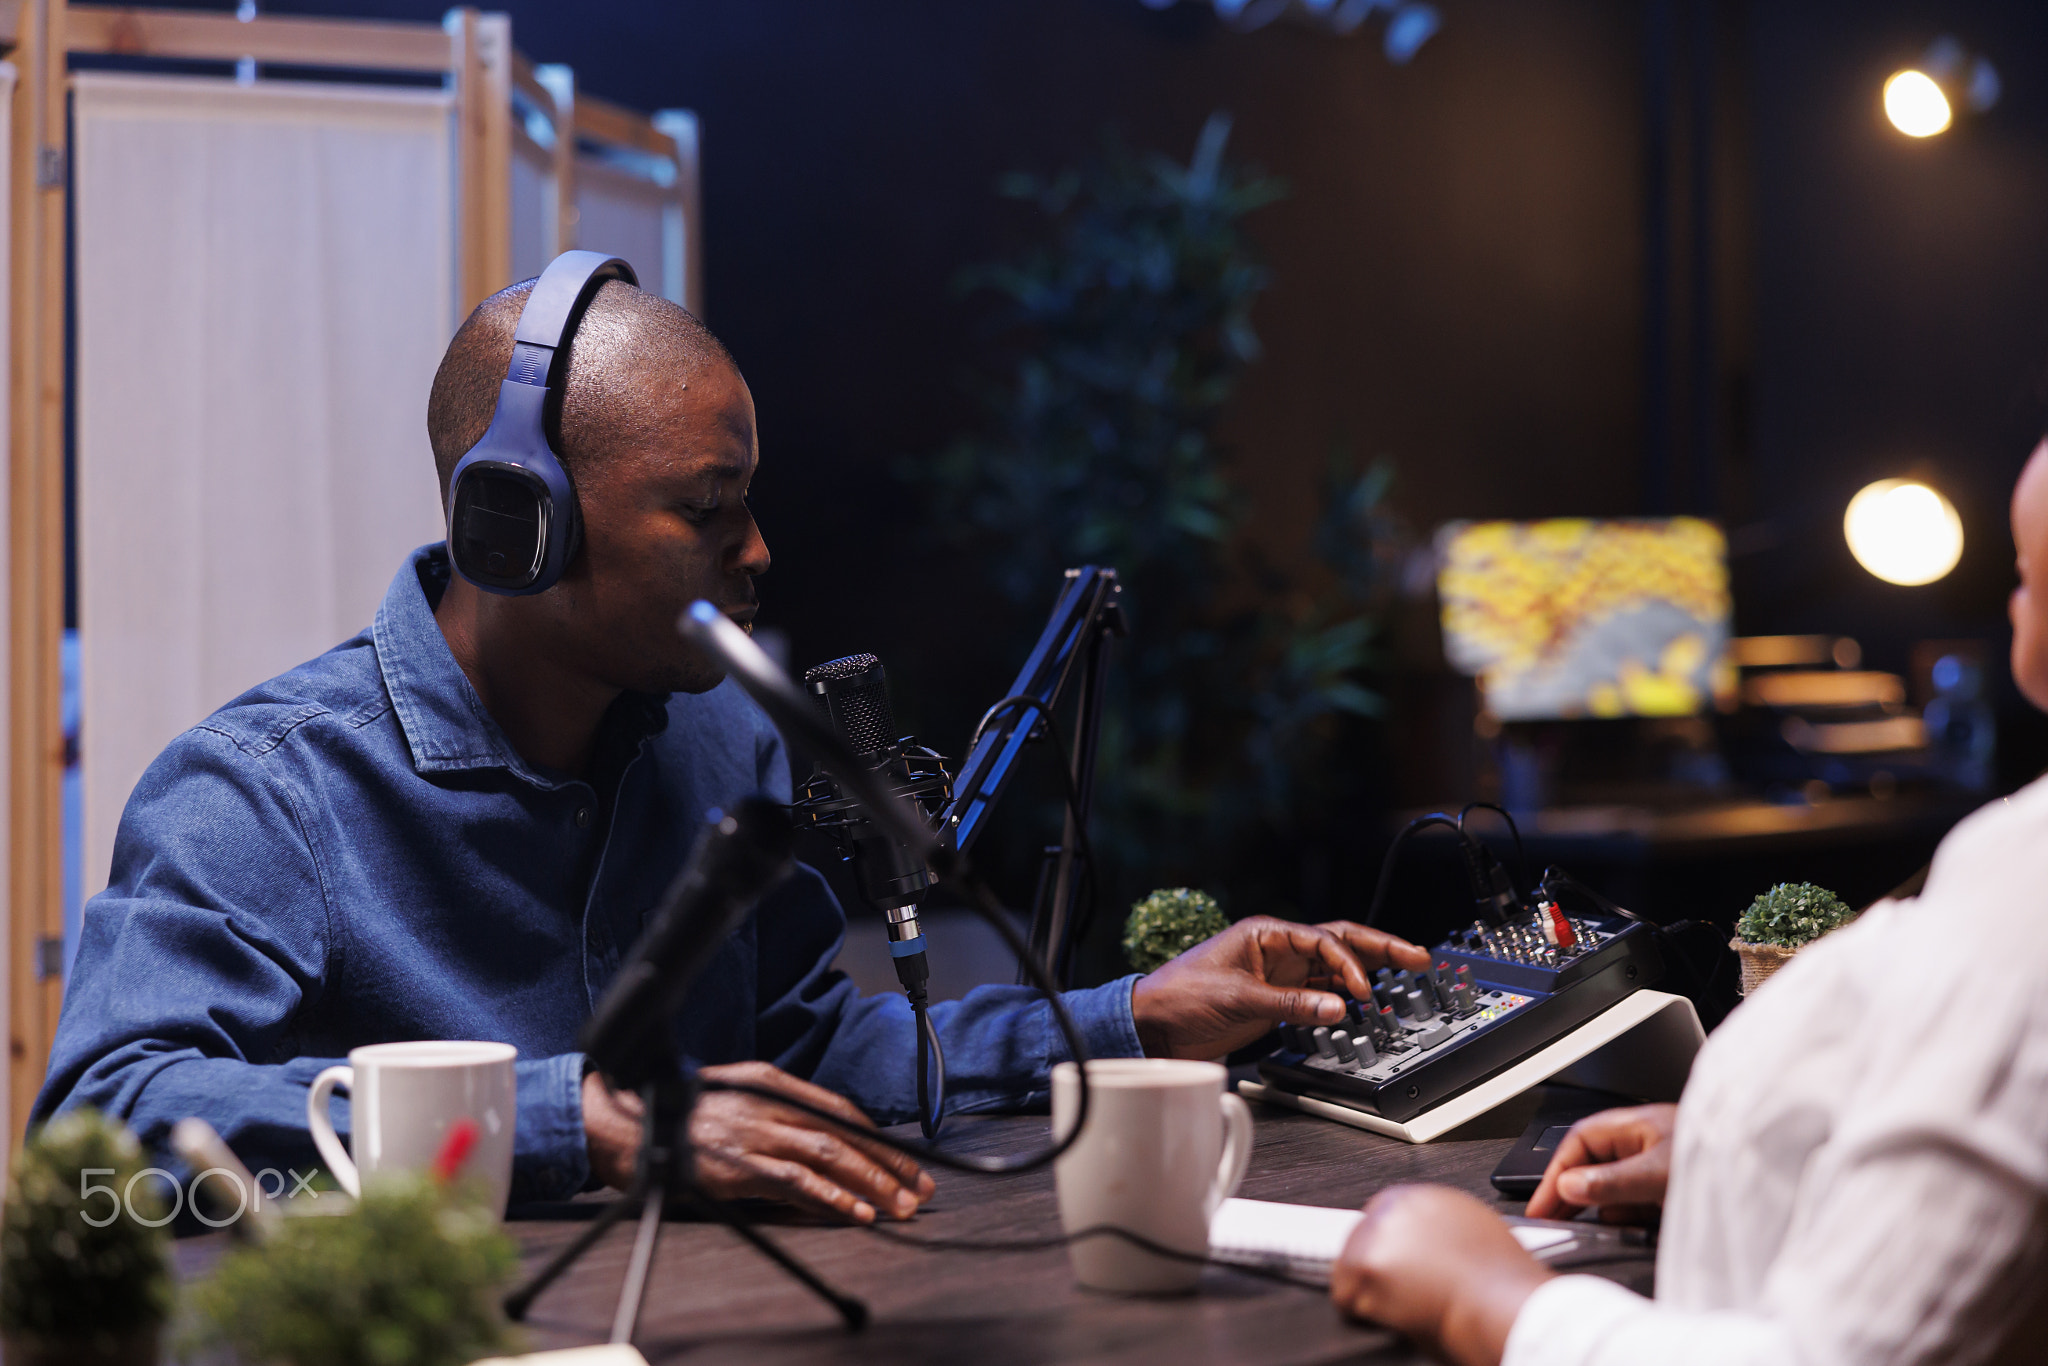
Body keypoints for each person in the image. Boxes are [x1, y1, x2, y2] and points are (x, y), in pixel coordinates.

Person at [34, 270, 1432, 1220]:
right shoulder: (266, 792)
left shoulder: (712, 745)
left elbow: (815, 1057)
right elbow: (106, 1116)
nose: (760, 552)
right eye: (708, 510)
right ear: (517, 522)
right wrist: (586, 1123)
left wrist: (1133, 1015)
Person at [1327, 441, 2048, 1365]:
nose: (2006, 599)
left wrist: (1491, 1303)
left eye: (2023, 574)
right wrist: (1749, 1156)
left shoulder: (2024, 903)